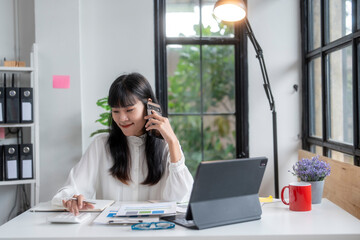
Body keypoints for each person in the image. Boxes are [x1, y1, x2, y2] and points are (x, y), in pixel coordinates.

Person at [52, 72, 194, 215]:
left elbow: (182, 198)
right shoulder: (101, 145)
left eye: (129, 110)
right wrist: (71, 199)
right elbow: (71, 189)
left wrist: (173, 141)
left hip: (155, 232)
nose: (122, 118)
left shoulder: (167, 147)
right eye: (116, 111)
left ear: (148, 106)